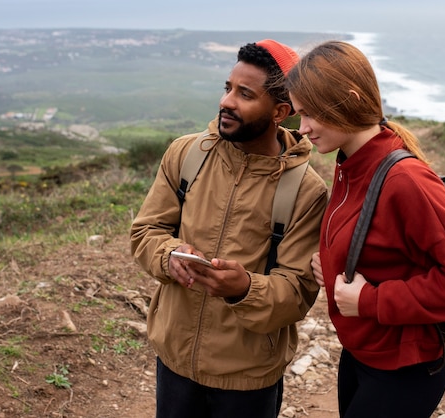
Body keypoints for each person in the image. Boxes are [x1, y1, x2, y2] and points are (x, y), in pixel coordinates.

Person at [285, 40, 445, 418]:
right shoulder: (349, 163)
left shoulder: (405, 179)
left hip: (404, 369)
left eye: (309, 115)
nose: (301, 129)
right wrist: (333, 266)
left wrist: (370, 301)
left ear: (349, 99)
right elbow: (379, 246)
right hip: (364, 354)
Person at [130, 39, 329, 418]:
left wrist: (244, 289)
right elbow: (146, 231)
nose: (227, 102)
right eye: (227, 88)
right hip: (174, 360)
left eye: (245, 94)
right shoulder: (185, 154)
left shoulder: (305, 190)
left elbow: (298, 291)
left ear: (279, 111)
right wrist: (168, 257)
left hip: (248, 376)